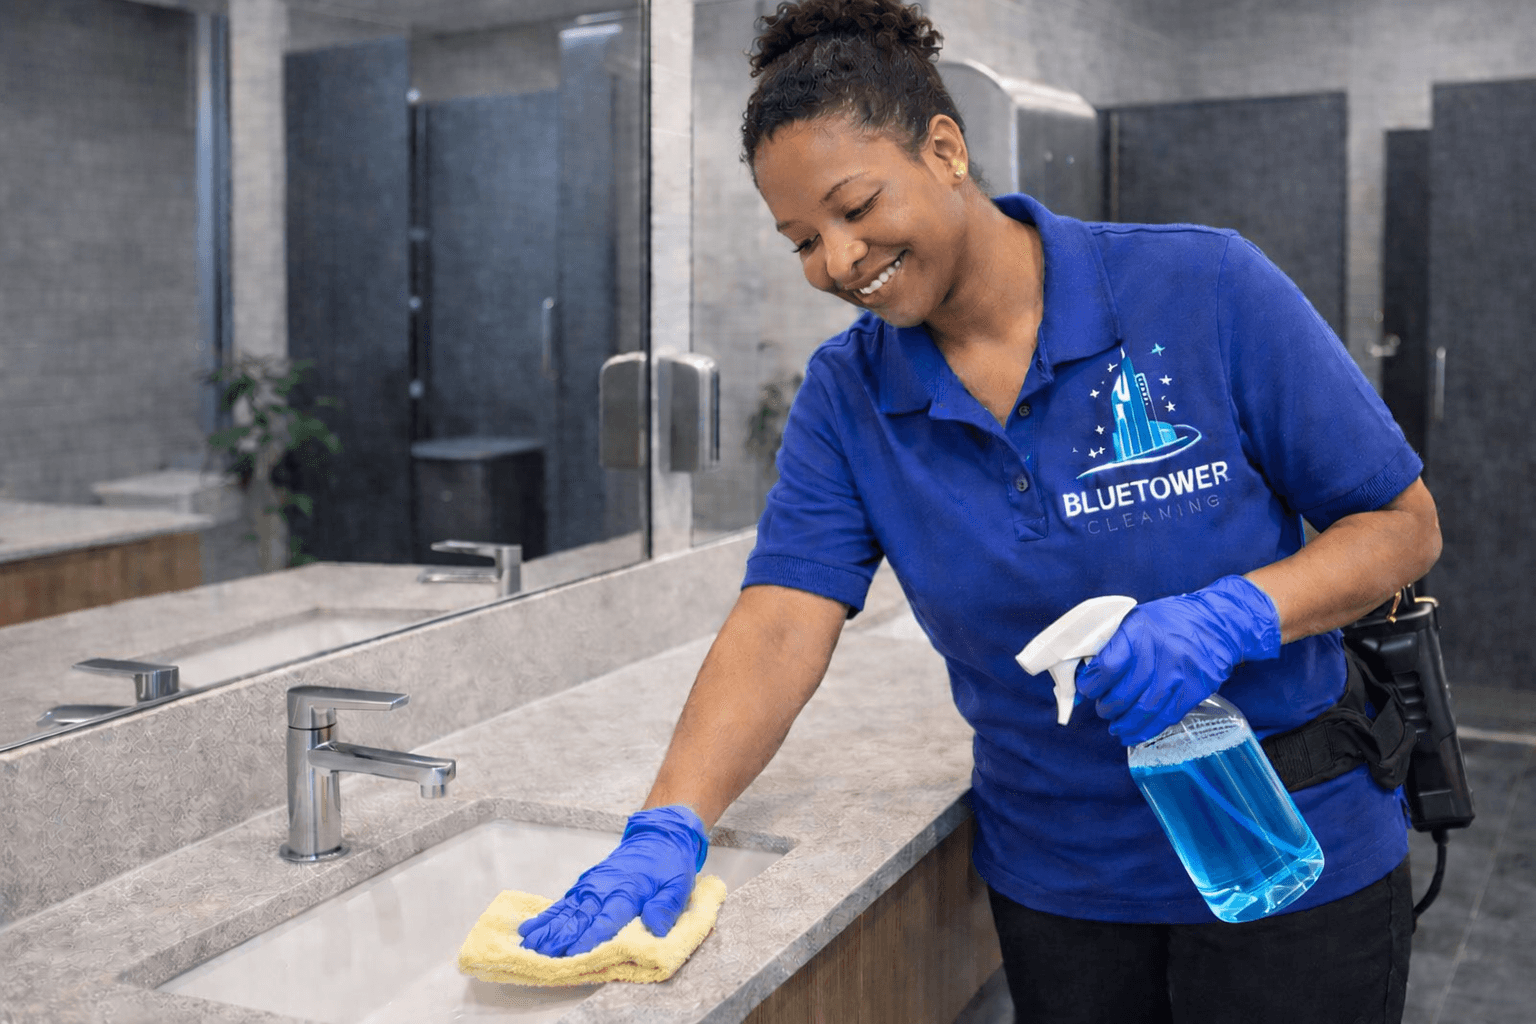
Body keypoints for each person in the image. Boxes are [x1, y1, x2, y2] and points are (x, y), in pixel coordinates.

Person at [517, 1, 1441, 1020]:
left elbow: (1400, 526)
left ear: (945, 148)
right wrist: (671, 819)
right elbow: (783, 616)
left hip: (1289, 856)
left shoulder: (1200, 286)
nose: (837, 259)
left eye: (856, 205)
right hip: (1064, 889)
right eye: (801, 241)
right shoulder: (849, 395)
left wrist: (1234, 616)